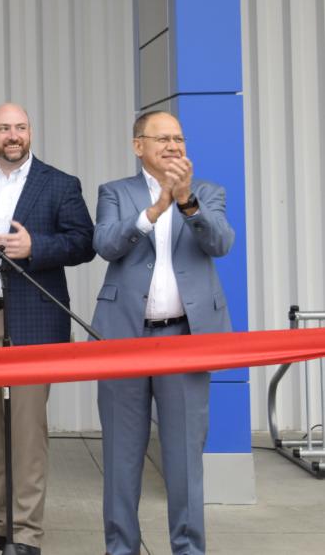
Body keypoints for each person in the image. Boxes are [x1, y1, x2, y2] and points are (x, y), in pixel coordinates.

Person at [0, 103, 95, 555]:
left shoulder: (60, 184)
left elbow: (84, 242)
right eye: (4, 128)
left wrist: (35, 246)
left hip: (35, 321)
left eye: (20, 127)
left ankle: (25, 534)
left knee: (27, 431)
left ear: (30, 133)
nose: (13, 135)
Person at [92, 110, 235, 555]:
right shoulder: (115, 192)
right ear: (139, 146)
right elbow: (106, 245)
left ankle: (188, 548)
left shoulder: (208, 193)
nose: (173, 146)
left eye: (179, 139)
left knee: (184, 458)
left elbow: (221, 244)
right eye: (162, 139)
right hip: (124, 340)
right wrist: (155, 210)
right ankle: (121, 548)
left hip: (185, 341)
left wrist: (187, 201)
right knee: (121, 456)